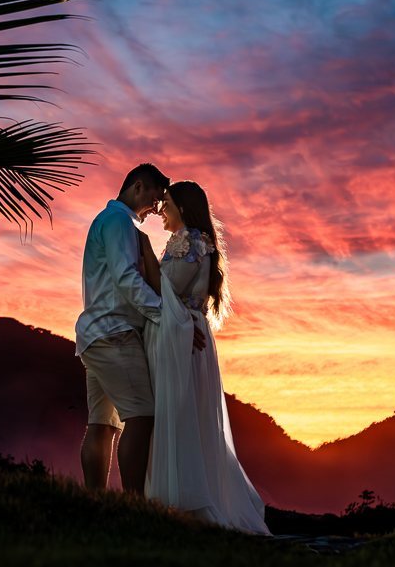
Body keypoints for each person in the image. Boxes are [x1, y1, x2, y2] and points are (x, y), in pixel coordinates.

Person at [135, 180, 271, 535]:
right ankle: (185, 493)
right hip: (188, 331)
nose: (160, 210)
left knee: (179, 412)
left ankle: (183, 498)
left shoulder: (188, 240)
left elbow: (166, 289)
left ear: (183, 206)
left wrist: (145, 257)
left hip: (182, 336)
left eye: (166, 203)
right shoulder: (197, 241)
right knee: (190, 413)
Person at [75, 163, 206, 492]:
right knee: (143, 417)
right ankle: (134, 503)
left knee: (102, 424)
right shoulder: (120, 222)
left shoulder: (105, 221)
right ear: (137, 187)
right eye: (154, 197)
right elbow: (127, 278)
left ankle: (94, 501)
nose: (156, 207)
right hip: (115, 334)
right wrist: (168, 316)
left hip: (94, 334)